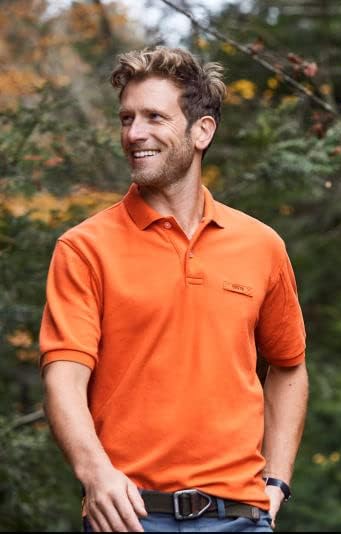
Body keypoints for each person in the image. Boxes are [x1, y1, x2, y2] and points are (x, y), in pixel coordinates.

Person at [38, 46, 308, 533]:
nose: (134, 133)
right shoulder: (84, 248)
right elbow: (64, 380)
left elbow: (288, 367)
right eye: (127, 118)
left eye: (154, 117)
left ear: (202, 131)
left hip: (240, 518)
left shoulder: (261, 245)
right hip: (130, 517)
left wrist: (277, 480)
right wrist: (96, 475)